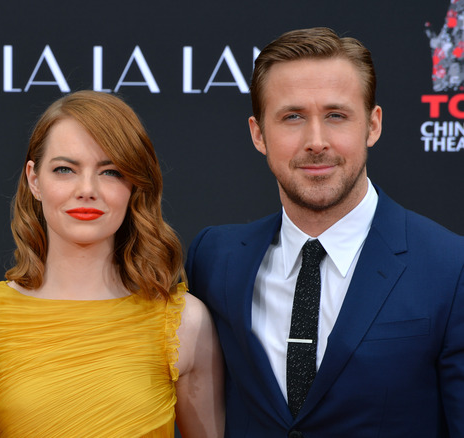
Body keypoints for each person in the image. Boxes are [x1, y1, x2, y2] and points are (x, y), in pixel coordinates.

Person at [186, 27, 464, 437]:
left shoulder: (450, 268)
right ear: (258, 133)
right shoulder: (215, 258)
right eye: (292, 117)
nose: (316, 142)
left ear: (372, 125)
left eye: (336, 115)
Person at [0, 90, 224, 437]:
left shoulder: (185, 322)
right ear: (34, 180)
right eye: (65, 169)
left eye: (110, 172)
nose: (86, 189)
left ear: (134, 185)